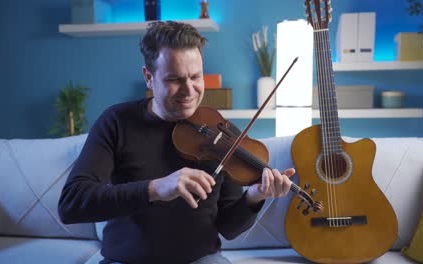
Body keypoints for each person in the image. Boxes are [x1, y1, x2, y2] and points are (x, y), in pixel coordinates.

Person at [58, 21, 295, 264]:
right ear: (149, 77)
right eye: (175, 80)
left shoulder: (219, 129)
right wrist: (155, 188)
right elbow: (71, 204)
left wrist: (254, 197)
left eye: (195, 77)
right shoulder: (116, 122)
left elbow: (229, 228)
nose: (189, 90)